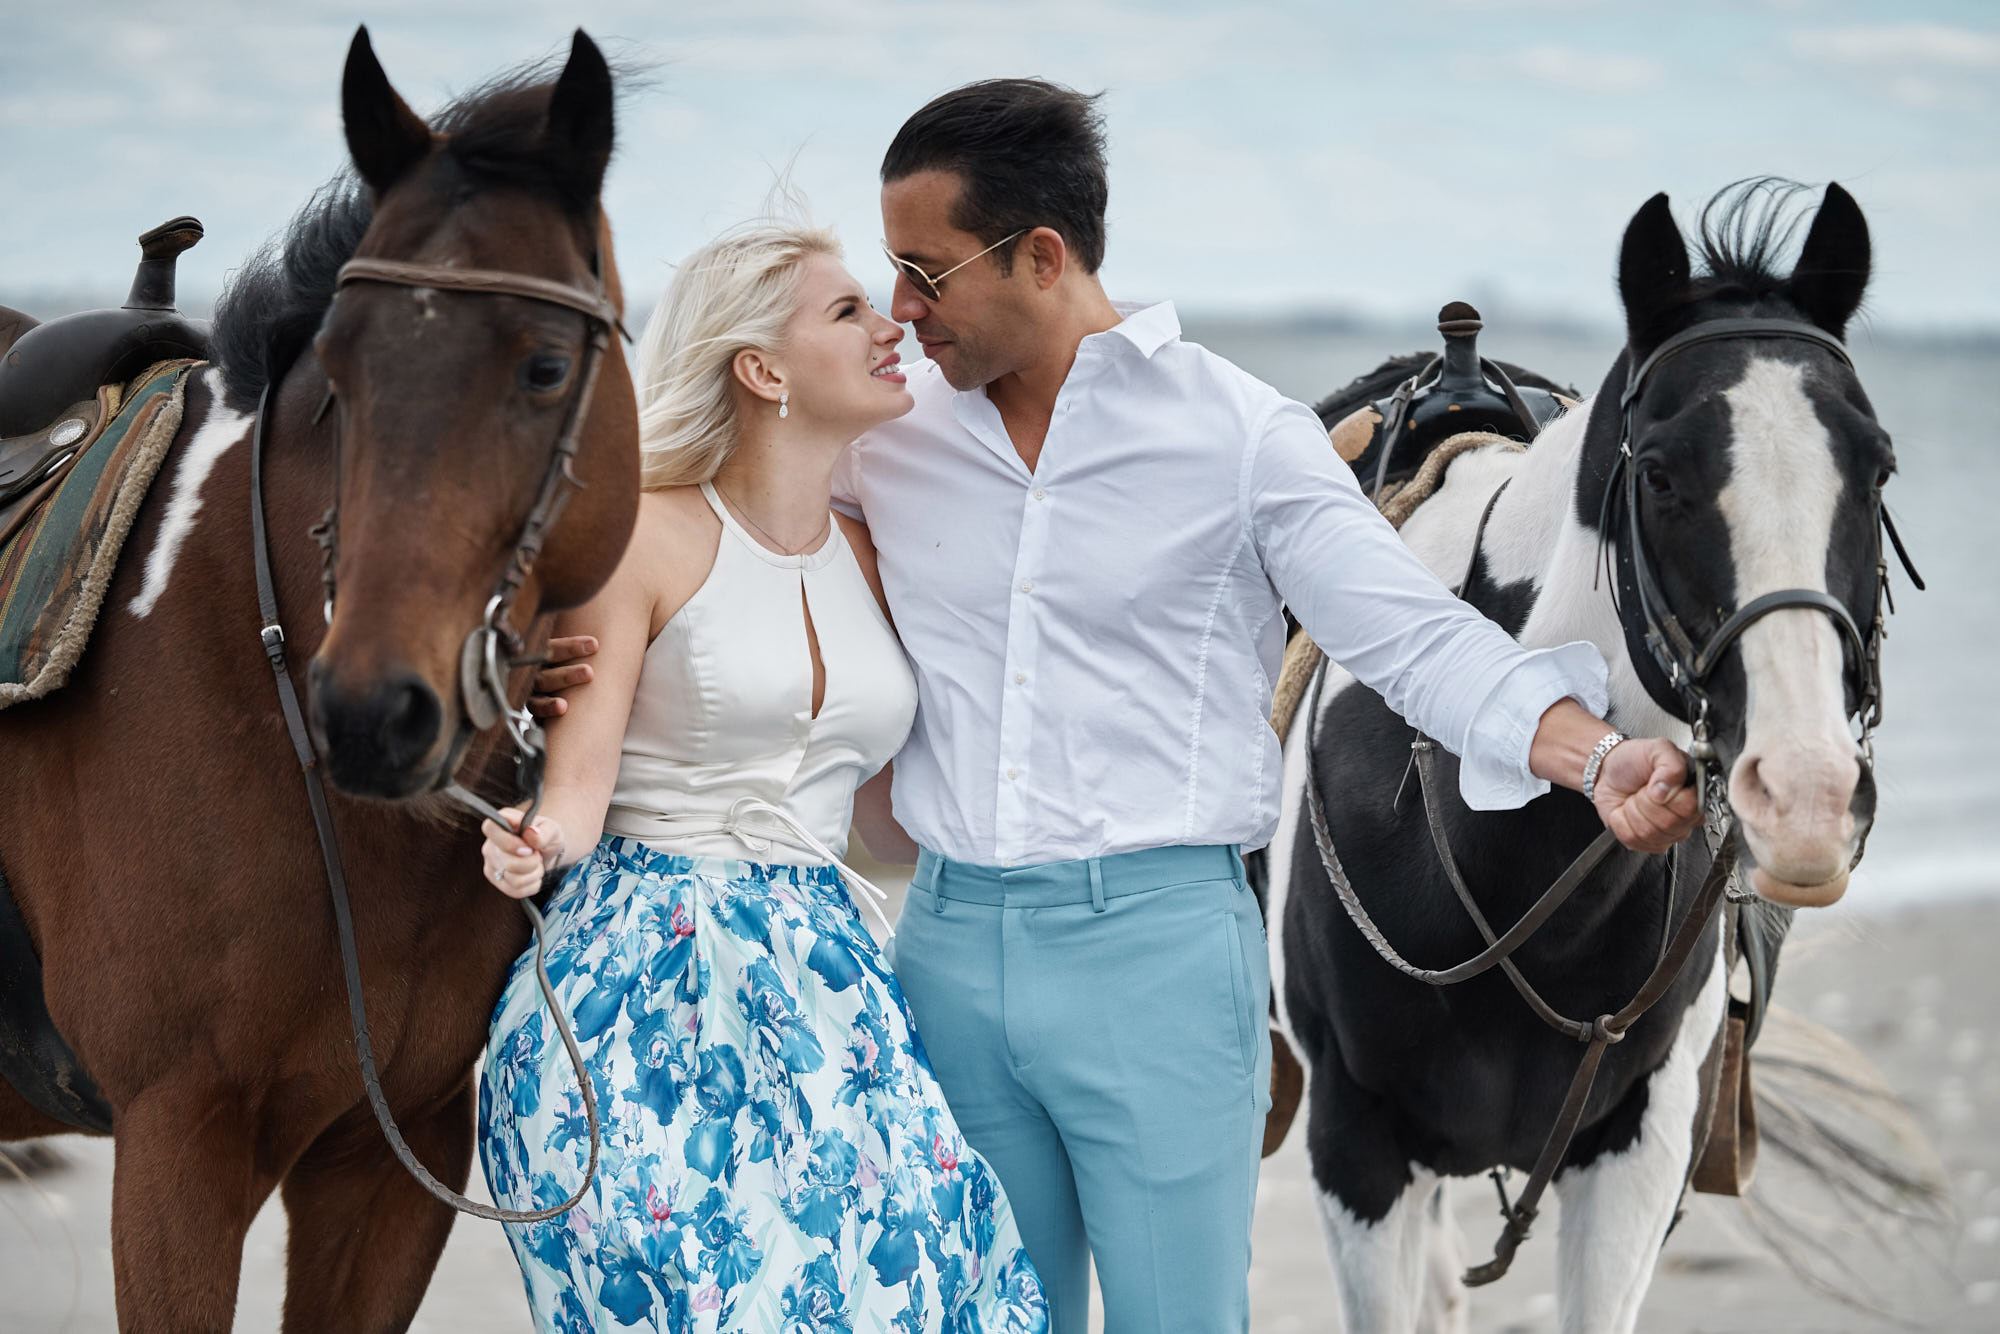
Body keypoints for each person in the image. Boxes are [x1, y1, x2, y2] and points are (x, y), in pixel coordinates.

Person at [538, 81, 1700, 1334]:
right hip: (942, 953)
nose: (901, 309)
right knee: (974, 1317)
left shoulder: (1237, 435)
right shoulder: (886, 431)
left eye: (925, 272)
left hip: (1158, 956)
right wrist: (549, 644)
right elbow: (724, 530)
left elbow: (1411, 638)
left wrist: (1594, 757)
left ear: (1041, 256)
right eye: (888, 275)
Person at [476, 217, 1049, 1334]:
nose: (891, 326)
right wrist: (527, 846)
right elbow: (576, 796)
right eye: (849, 311)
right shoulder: (640, 538)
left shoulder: (871, 554)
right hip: (637, 985)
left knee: (928, 1279)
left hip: (836, 979)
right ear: (762, 371)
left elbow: (889, 822)